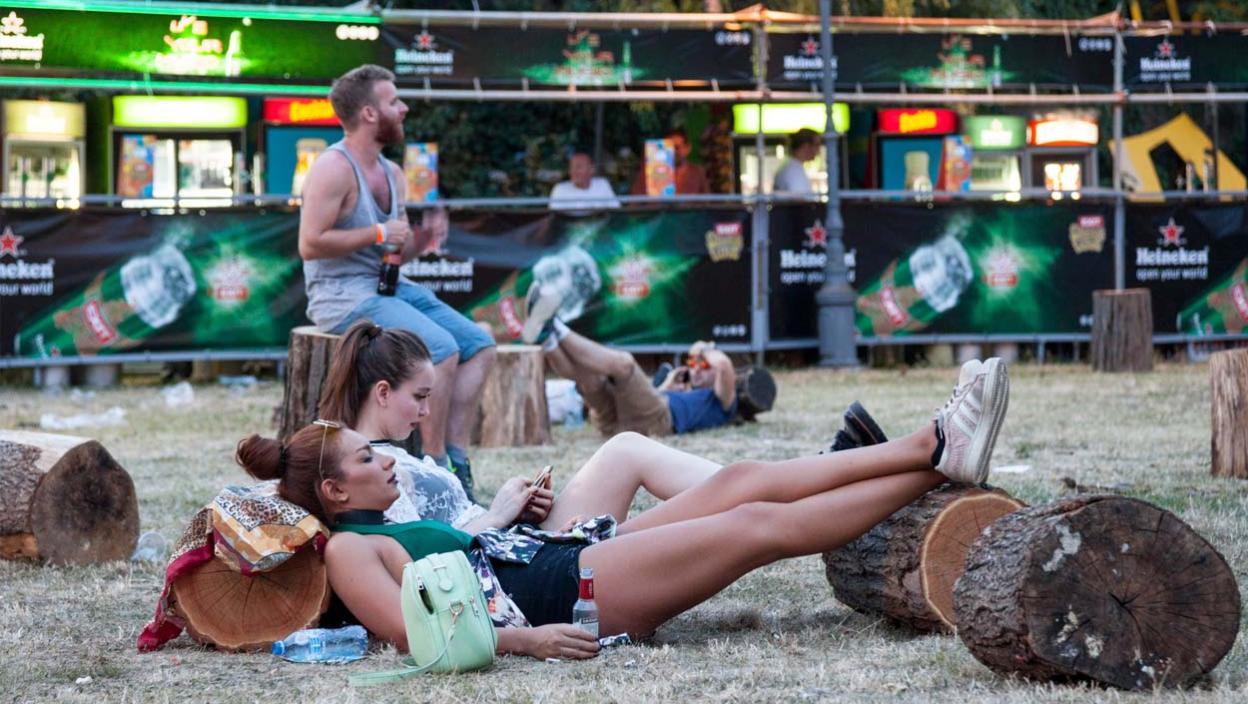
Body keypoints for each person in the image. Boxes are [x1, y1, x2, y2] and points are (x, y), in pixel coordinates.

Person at [237, 346, 1011, 660]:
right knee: (753, 527)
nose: (387, 462)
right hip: (565, 596)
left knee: (736, 481)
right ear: (335, 491)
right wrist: (530, 642)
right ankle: (937, 457)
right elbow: (419, 637)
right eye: (367, 459)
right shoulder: (349, 548)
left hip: (561, 562)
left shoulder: (378, 522)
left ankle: (924, 444)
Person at [297, 64, 495, 496]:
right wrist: (378, 233)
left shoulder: (392, 172)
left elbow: (393, 251)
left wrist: (421, 239)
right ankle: (436, 469)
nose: (403, 108)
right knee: (441, 349)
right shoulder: (333, 167)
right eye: (394, 101)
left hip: (384, 285)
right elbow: (310, 244)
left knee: (479, 345)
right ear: (369, 113)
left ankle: (458, 460)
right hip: (339, 297)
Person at [522, 285, 736, 437]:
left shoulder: (723, 402)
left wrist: (704, 348)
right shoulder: (690, 395)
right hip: (618, 424)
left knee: (625, 364)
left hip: (655, 424)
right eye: (692, 364)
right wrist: (667, 386)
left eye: (703, 366)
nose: (695, 370)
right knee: (591, 380)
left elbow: (723, 365)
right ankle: (547, 338)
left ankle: (554, 325)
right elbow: (644, 402)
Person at [630, 127, 709, 196]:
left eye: (676, 148)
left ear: (687, 148)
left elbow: (707, 202)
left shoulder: (697, 172)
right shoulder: (650, 172)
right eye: (669, 148)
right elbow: (635, 202)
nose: (672, 152)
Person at [549, 152, 620, 213]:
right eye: (571, 167)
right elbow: (555, 217)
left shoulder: (602, 184)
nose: (573, 171)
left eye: (578, 167)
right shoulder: (560, 189)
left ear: (591, 170)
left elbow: (616, 211)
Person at [773, 128, 821, 195]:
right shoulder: (794, 170)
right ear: (805, 146)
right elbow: (800, 198)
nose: (818, 151)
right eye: (817, 145)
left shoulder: (790, 166)